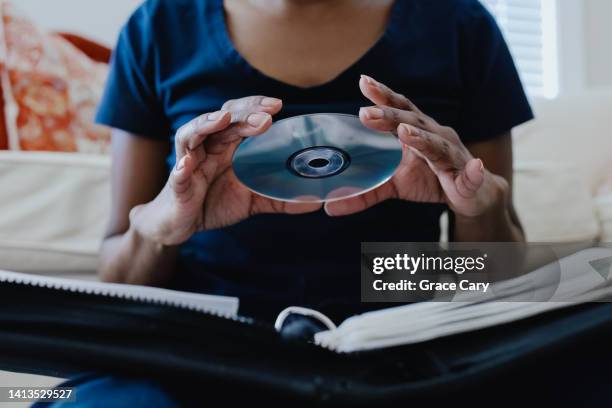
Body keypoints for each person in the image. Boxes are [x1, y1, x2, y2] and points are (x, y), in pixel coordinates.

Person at [45, 0, 533, 405]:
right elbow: (118, 276)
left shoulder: (458, 24)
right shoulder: (158, 27)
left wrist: (481, 209)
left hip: (400, 349)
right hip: (199, 352)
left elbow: (497, 283)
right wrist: (161, 227)